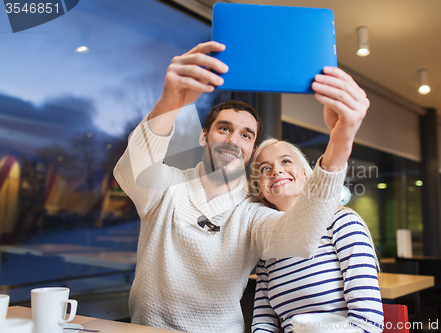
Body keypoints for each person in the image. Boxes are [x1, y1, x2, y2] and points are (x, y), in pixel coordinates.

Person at [113, 41, 370, 332]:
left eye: (246, 135)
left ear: (251, 150)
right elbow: (130, 171)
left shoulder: (253, 215)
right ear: (204, 136)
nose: (234, 140)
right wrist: (171, 102)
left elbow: (301, 236)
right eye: (224, 129)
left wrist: (341, 141)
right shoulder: (166, 187)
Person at [250, 139, 383, 333]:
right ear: (260, 190)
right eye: (264, 168)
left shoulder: (342, 222)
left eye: (285, 161)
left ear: (305, 174)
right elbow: (264, 323)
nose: (276, 170)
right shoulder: (266, 246)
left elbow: (368, 322)